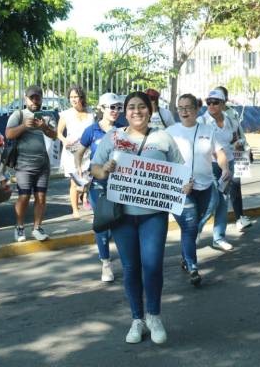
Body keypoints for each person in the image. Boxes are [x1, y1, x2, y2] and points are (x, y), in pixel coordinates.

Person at [91, 91, 187, 344]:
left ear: (150, 110)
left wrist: (184, 185)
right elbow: (95, 168)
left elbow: (180, 170)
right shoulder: (114, 137)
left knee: (152, 266)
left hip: (153, 215)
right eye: (131, 107)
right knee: (131, 268)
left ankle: (154, 316)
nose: (136, 111)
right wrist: (105, 169)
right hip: (122, 215)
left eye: (141, 107)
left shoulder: (163, 138)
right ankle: (137, 319)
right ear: (125, 112)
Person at [167, 93, 230, 286]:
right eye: (180, 108)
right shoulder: (170, 131)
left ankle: (186, 256)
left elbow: (219, 152)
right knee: (189, 227)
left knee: (196, 226)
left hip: (204, 186)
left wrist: (225, 167)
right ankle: (193, 267)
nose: (184, 111)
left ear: (196, 110)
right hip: (179, 189)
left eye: (188, 107)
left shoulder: (208, 130)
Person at [73, 92, 127, 283]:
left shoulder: (124, 129)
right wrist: (79, 168)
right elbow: (79, 152)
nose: (115, 111)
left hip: (121, 185)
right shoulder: (92, 130)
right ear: (101, 108)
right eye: (111, 107)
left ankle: (128, 262)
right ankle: (106, 263)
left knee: (121, 223)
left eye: (118, 107)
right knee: (102, 224)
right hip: (98, 185)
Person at [6, 85, 57, 242]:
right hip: (23, 165)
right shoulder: (19, 114)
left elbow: (54, 136)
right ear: (25, 99)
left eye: (37, 97)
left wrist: (43, 126)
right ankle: (20, 227)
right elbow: (8, 134)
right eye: (31, 98)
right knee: (24, 197)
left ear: (42, 99)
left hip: (43, 165)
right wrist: (24, 126)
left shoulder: (47, 117)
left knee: (41, 197)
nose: (35, 101)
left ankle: (37, 228)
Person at [197, 89, 239, 249]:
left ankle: (219, 237)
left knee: (223, 201)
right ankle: (195, 230)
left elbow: (234, 138)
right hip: (209, 165)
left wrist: (237, 144)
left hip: (228, 164)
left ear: (223, 104)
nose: (211, 105)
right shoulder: (202, 121)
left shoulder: (229, 120)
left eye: (215, 102)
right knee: (211, 201)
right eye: (209, 102)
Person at [214, 86, 256, 230]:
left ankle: (240, 218)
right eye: (212, 100)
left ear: (225, 99)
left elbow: (239, 131)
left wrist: (247, 148)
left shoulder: (232, 112)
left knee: (236, 185)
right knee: (219, 188)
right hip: (219, 156)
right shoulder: (209, 116)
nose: (215, 103)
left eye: (219, 99)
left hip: (238, 151)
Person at [57, 85, 94, 219]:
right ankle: (75, 210)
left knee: (88, 180)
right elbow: (59, 133)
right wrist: (64, 140)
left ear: (81, 97)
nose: (73, 99)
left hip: (88, 152)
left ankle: (85, 196)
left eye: (75, 96)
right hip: (72, 153)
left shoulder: (90, 113)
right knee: (74, 182)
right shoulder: (66, 114)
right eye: (71, 97)